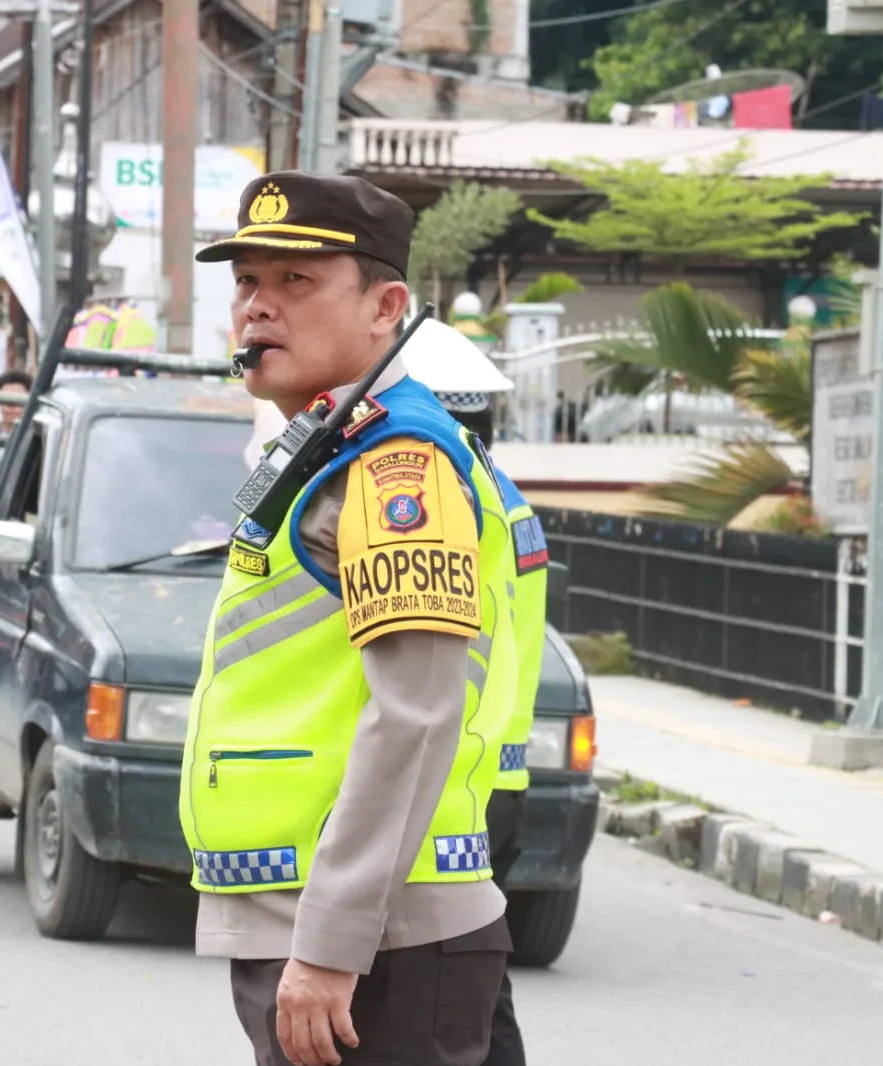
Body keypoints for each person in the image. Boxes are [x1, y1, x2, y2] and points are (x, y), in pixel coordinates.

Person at [180, 170, 519, 1066]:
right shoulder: (328, 446)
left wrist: (331, 945)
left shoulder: (391, 465)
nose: (259, 308)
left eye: (297, 282)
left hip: (371, 942)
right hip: (346, 926)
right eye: (247, 281)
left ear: (387, 307)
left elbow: (415, 713)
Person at [431, 392, 544, 1066]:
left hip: (454, 773)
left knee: (453, 984)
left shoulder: (456, 498)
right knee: (479, 974)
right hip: (502, 768)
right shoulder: (510, 501)